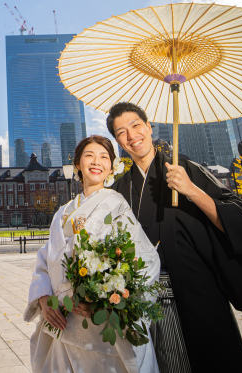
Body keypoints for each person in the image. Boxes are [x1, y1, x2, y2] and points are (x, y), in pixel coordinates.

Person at [106, 102, 242, 372]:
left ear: (149, 127)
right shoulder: (120, 188)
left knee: (213, 360)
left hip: (197, 287)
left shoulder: (183, 168)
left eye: (136, 126)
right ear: (118, 141)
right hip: (146, 296)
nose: (132, 136)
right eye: (121, 132)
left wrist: (191, 190)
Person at [26, 135, 160, 372]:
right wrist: (45, 300)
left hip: (100, 324)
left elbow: (146, 258)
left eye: (104, 157)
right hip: (62, 320)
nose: (96, 162)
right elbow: (45, 260)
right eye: (89, 156)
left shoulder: (117, 206)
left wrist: (108, 301)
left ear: (111, 167)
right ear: (78, 163)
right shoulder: (62, 212)